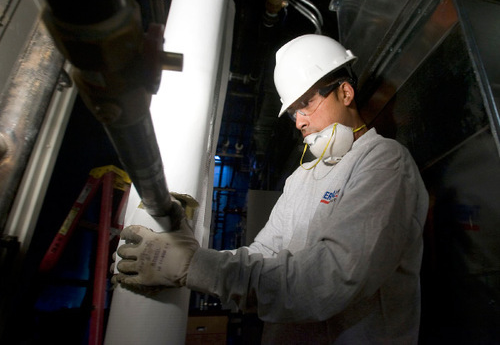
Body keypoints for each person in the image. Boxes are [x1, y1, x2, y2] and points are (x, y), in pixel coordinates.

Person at [114, 34, 429, 344]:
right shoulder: (302, 178)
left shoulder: (385, 162)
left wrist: (191, 265)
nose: (299, 122)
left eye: (305, 104)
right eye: (293, 112)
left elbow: (331, 279)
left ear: (345, 92)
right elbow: (261, 256)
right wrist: (192, 258)